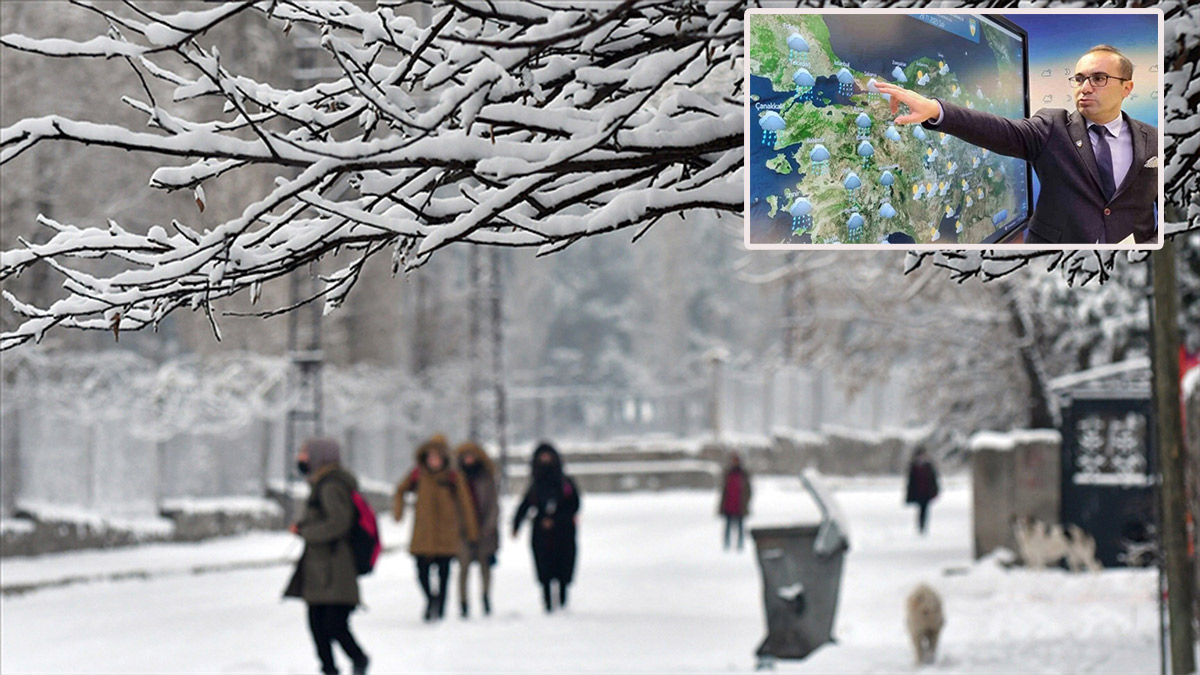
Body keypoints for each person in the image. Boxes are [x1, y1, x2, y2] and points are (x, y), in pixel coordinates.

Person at [875, 44, 1158, 244]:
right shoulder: (1052, 128)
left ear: (1127, 88)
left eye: (1099, 78)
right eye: (1080, 78)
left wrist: (1149, 248)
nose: (1085, 87)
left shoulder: (1154, 140)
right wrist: (937, 111)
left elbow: (1176, 211)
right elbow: (999, 130)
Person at [284, 437, 370, 675]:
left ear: (318, 456)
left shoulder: (331, 486)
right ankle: (330, 668)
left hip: (334, 568)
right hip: (321, 568)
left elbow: (339, 522)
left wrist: (306, 531)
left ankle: (357, 660)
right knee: (318, 625)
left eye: (304, 453)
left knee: (332, 624)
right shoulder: (322, 483)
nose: (300, 458)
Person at [393, 435, 479, 622]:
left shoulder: (454, 477)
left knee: (444, 574)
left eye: (437, 457)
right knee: (421, 572)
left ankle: (440, 607)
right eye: (430, 457)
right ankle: (431, 599)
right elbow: (400, 490)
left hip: (446, 533)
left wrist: (471, 532)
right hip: (423, 533)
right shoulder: (417, 475)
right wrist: (398, 512)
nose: (434, 461)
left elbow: (466, 505)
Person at [512, 442, 580, 613]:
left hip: (563, 531)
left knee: (563, 565)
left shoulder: (566, 483)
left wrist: (557, 520)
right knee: (544, 566)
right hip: (542, 532)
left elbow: (574, 505)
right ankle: (547, 599)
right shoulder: (535, 485)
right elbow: (525, 504)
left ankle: (563, 598)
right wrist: (516, 524)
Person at [455, 440, 500, 618]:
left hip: (485, 530)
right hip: (463, 532)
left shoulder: (486, 478)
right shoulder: (457, 479)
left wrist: (488, 526)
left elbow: (493, 505)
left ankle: (486, 597)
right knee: (463, 569)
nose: (468, 459)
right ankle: (463, 603)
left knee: (485, 567)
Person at [718, 452, 752, 551]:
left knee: (740, 527)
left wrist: (746, 503)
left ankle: (740, 545)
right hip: (729, 505)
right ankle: (726, 545)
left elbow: (748, 490)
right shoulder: (728, 473)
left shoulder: (743, 474)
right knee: (728, 527)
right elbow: (724, 491)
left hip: (739, 505)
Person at [905, 448, 940, 535]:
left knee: (925, 509)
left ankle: (923, 526)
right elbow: (910, 481)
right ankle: (921, 525)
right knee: (921, 509)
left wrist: (934, 491)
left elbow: (933, 480)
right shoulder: (914, 467)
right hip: (918, 492)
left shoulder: (928, 466)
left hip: (926, 493)